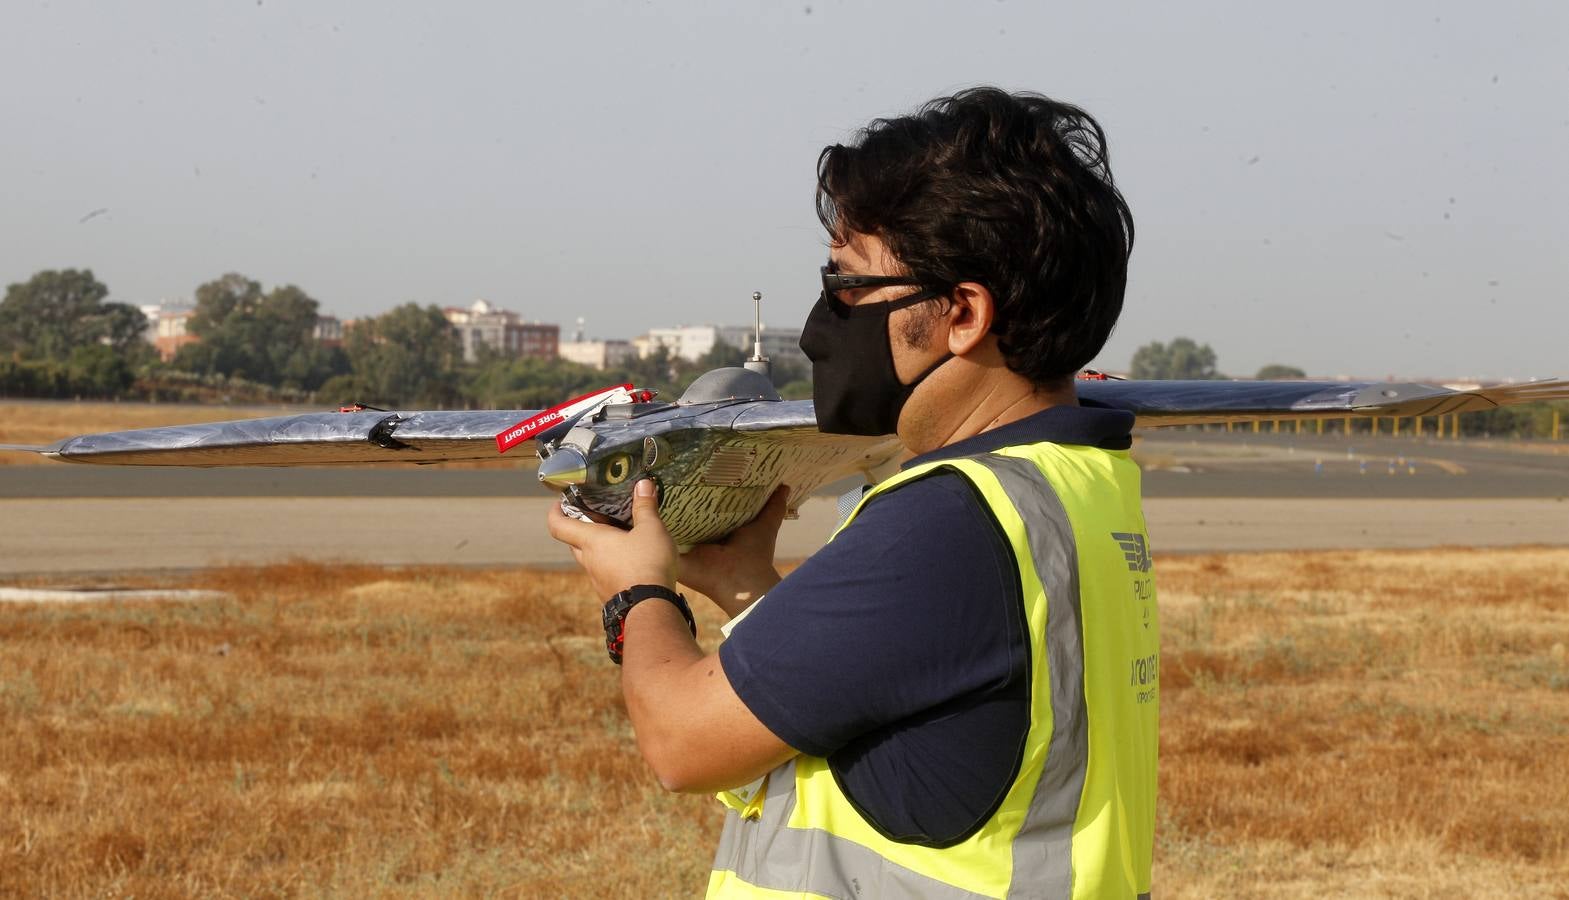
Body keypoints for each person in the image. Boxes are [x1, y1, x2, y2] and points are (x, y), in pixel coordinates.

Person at [547, 87, 1157, 899]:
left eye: (851, 289)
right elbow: (927, 700)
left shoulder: (946, 520)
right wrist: (742, 586)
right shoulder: (1072, 483)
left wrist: (636, 591)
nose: (821, 324)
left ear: (963, 315)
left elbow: (681, 743)